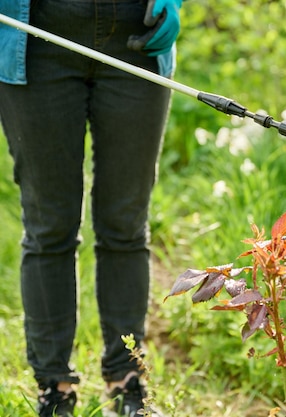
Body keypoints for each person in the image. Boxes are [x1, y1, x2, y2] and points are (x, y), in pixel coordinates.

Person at [0, 0, 182, 415]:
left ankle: (127, 380)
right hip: (34, 39)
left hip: (137, 36)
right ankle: (54, 388)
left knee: (125, 224)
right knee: (50, 225)